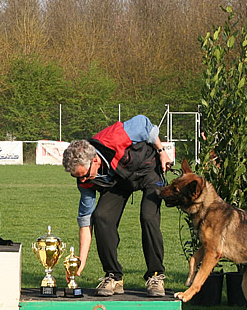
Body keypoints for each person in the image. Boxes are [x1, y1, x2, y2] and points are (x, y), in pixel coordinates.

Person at [61, 115, 172, 297]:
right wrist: (81, 259)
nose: (81, 180)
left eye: (84, 175)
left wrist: (161, 151)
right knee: (102, 216)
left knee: (148, 216)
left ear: (94, 160)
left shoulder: (115, 136)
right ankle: (113, 276)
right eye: (76, 177)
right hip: (119, 182)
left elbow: (144, 123)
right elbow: (85, 219)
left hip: (148, 170)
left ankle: (156, 275)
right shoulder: (86, 180)